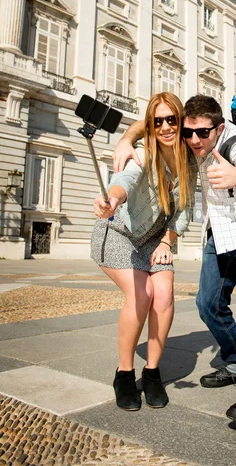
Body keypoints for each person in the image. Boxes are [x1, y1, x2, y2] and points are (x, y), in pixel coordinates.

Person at [113, 94, 236, 432]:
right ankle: (235, 360)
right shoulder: (190, 138)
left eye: (203, 134)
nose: (193, 140)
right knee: (207, 303)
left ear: (218, 128)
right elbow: (154, 123)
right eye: (189, 133)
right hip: (220, 231)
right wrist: (126, 138)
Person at [92, 92, 197, 412]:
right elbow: (125, 178)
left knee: (163, 295)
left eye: (172, 120)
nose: (165, 127)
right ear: (151, 125)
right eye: (158, 121)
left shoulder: (188, 160)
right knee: (141, 295)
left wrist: (168, 242)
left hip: (156, 239)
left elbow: (185, 211)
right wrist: (112, 199)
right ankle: (124, 374)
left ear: (180, 122)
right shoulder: (143, 152)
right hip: (119, 234)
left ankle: (152, 372)